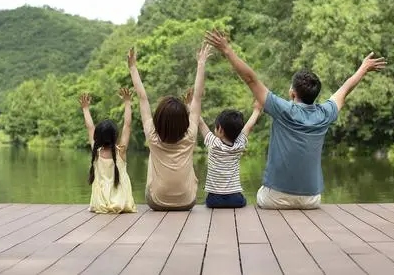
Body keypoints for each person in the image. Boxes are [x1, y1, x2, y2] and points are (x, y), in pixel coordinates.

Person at [205, 29, 386, 209]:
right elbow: (344, 90)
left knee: (257, 194)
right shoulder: (325, 113)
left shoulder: (282, 109)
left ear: (292, 92)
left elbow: (251, 79)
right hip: (311, 200)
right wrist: (363, 68)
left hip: (275, 199)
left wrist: (226, 49)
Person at [128, 43, 212, 211]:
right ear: (184, 120)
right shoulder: (190, 136)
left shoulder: (152, 135)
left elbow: (142, 98)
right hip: (187, 202)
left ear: (158, 118)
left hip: (157, 203)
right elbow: (196, 98)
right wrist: (201, 63)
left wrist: (132, 67)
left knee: (153, 154)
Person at [196, 97, 262, 208]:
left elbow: (201, 123)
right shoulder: (239, 145)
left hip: (214, 200)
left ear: (220, 129)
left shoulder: (213, 143)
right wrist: (257, 110)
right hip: (235, 199)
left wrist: (190, 105)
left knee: (206, 202)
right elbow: (249, 127)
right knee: (243, 200)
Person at [80, 89, 136, 214]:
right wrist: (127, 102)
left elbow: (90, 127)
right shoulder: (121, 151)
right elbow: (127, 125)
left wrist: (85, 108)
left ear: (97, 137)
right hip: (121, 202)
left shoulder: (96, 152)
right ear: (115, 135)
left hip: (100, 203)